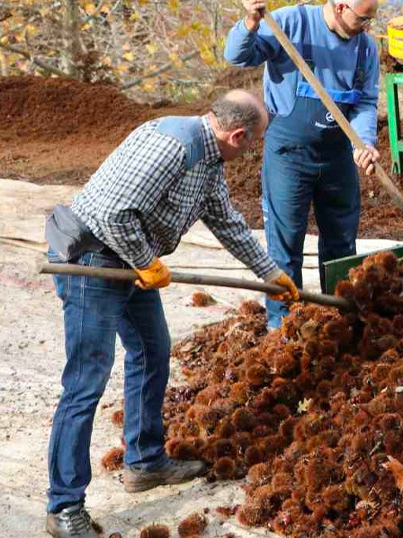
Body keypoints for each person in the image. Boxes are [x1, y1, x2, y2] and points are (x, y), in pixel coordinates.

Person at [41, 91, 300, 538]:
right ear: (237, 135)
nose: (251, 151)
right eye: (253, 143)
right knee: (85, 382)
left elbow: (226, 221)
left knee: (152, 351)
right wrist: (145, 260)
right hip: (93, 259)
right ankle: (64, 506)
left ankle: (144, 461)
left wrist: (270, 273)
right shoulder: (174, 146)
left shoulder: (208, 159)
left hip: (130, 261)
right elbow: (112, 212)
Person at [224, 0, 381, 330]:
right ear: (341, 8)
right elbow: (236, 56)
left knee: (342, 244)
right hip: (289, 154)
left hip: (338, 154)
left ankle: (341, 319)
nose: (365, 27)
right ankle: (282, 327)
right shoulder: (291, 24)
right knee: (286, 243)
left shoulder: (364, 49)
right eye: (362, 19)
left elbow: (366, 102)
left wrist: (364, 142)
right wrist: (250, 22)